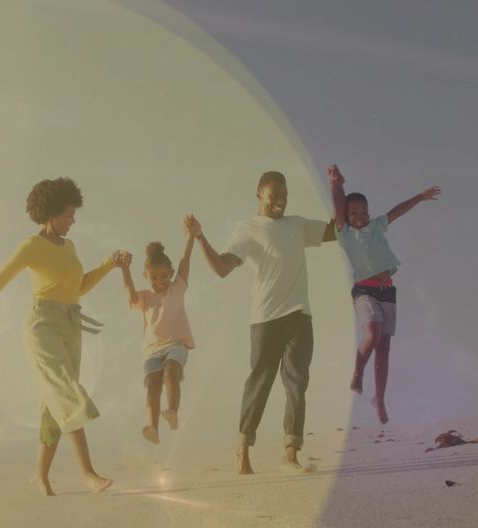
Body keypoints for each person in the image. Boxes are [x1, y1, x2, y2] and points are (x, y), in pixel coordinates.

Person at [0, 177, 127, 496]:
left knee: (53, 404)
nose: (74, 220)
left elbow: (78, 288)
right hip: (42, 325)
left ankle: (39, 476)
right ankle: (88, 473)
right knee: (67, 391)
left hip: (71, 325)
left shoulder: (70, 247)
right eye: (69, 214)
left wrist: (109, 265)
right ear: (52, 212)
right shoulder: (32, 246)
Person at [188, 170, 336, 474]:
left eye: (284, 195)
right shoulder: (248, 229)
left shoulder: (298, 225)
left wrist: (337, 188)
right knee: (259, 382)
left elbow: (336, 231)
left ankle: (290, 454)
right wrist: (201, 237)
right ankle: (243, 449)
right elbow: (221, 268)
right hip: (265, 319)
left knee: (297, 384)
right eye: (274, 195)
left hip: (299, 316)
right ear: (259, 194)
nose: (280, 201)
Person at [327, 164, 441, 424]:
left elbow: (396, 211)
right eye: (353, 211)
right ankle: (357, 372)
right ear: (346, 214)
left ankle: (378, 398)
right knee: (373, 332)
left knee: (384, 348)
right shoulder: (344, 232)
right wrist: (337, 183)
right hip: (364, 290)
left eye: (363, 211)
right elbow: (337, 203)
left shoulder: (376, 226)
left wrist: (420, 198)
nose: (359, 215)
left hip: (387, 290)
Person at [118, 220, 196, 445]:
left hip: (176, 345)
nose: (160, 282)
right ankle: (153, 427)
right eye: (154, 278)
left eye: (164, 276)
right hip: (152, 351)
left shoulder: (177, 288)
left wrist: (190, 236)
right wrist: (124, 269)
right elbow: (129, 294)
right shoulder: (144, 297)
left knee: (171, 372)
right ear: (146, 276)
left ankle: (172, 411)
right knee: (152, 386)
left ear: (171, 274)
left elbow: (185, 260)